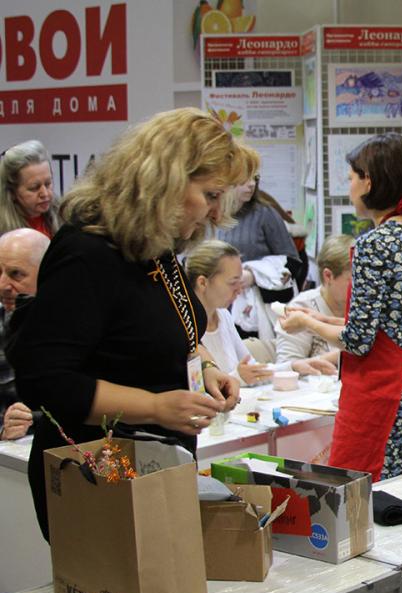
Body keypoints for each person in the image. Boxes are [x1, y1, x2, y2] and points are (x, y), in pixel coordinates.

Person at [8, 107, 255, 541]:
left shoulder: (154, 245)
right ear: (167, 181)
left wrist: (205, 368)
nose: (217, 214)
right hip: (97, 476)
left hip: (152, 466)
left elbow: (171, 330)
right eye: (210, 195)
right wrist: (156, 406)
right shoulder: (86, 254)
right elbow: (46, 380)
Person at [279, 133, 402, 481]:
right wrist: (317, 317)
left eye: (352, 177)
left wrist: (308, 324)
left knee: (369, 499)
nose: (349, 187)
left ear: (369, 181)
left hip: (384, 397)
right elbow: (386, 326)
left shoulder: (374, 244)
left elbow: (358, 339)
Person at [219, 175, 301, 338]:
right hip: (219, 303)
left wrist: (254, 276)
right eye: (245, 178)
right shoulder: (212, 212)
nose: (251, 184)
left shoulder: (265, 213)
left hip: (254, 308)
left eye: (255, 178)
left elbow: (293, 263)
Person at [185, 240, 273, 386]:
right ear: (202, 283)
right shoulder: (184, 326)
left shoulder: (223, 315)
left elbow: (252, 369)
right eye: (232, 283)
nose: (239, 290)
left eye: (240, 282)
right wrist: (237, 377)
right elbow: (194, 388)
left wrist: (292, 367)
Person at [275, 234, 353, 375]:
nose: (362, 287)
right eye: (352, 279)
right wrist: (341, 355)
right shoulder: (301, 307)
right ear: (328, 276)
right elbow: (286, 369)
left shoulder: (364, 306)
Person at [0, 229, 50, 440]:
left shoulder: (76, 328)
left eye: (16, 274)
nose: (2, 285)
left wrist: (33, 418)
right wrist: (3, 431)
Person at [0, 140, 61, 237]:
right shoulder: (3, 234)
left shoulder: (65, 218)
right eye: (34, 188)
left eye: (48, 184)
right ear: (12, 192)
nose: (45, 194)